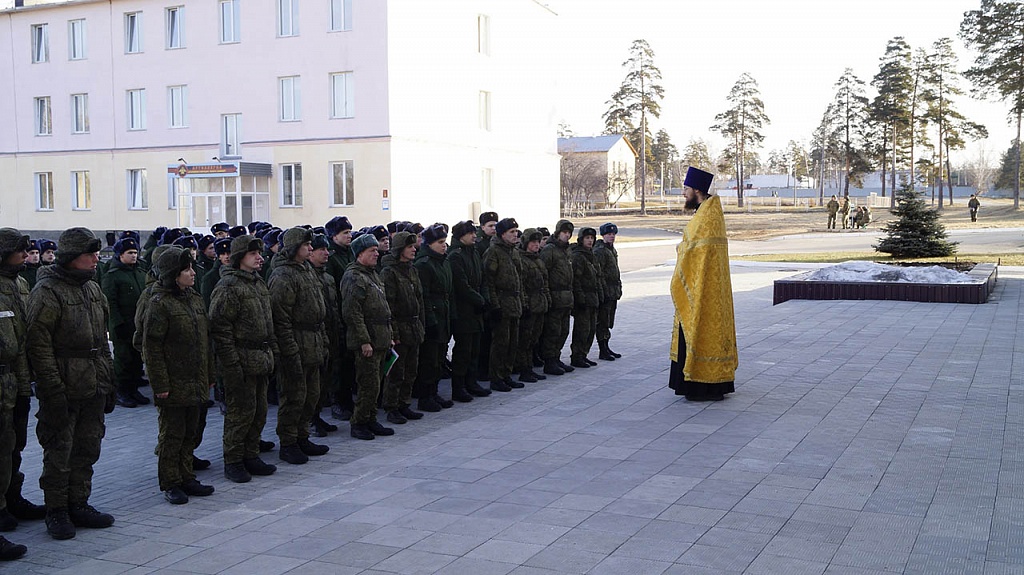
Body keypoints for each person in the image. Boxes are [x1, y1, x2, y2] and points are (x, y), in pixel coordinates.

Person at [26, 227, 116, 540]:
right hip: (64, 383)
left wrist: (108, 380)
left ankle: (79, 502)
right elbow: (38, 345)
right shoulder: (48, 291)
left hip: (92, 382)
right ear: (71, 257)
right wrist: (52, 391)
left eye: (96, 253)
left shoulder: (92, 289)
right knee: (59, 452)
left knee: (88, 447)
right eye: (89, 254)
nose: (95, 259)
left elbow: (102, 341)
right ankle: (57, 510)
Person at [143, 247, 216, 505]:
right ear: (173, 275)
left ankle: (187, 476)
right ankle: (170, 482)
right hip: (174, 381)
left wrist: (209, 373)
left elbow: (204, 340)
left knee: (190, 432)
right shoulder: (159, 303)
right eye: (186, 269)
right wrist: (160, 384)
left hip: (195, 378)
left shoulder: (194, 298)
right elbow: (152, 347)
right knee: (172, 435)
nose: (192, 273)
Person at [209, 235, 279, 483]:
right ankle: (234, 460)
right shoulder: (228, 287)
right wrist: (231, 365)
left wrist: (273, 352)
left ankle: (251, 454)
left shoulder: (257, 283)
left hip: (260, 357)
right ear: (240, 258)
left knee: (259, 411)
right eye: (253, 254)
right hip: (241, 358)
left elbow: (268, 322)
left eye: (260, 253)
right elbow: (220, 331)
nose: (260, 258)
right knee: (240, 413)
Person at [669, 168, 738, 402]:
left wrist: (681, 250)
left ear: (697, 190)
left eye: (686, 189)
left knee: (699, 330)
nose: (683, 193)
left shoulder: (707, 216)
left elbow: (695, 250)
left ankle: (702, 386)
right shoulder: (706, 212)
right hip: (703, 285)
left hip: (704, 289)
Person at [268, 228, 329, 465]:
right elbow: (281, 320)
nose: (311, 249)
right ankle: (288, 442)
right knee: (294, 396)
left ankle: (302, 435)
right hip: (296, 342)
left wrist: (322, 341)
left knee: (311, 395)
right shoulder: (283, 276)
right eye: (306, 246)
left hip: (312, 342)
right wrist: (290, 351)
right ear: (294, 248)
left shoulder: (306, 271)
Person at [340, 233, 395, 440]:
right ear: (360, 253)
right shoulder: (354, 276)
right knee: (367, 384)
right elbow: (352, 313)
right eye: (371, 251)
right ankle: (359, 422)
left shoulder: (372, 274)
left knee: (376, 384)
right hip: (367, 340)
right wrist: (364, 340)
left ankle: (371, 419)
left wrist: (389, 335)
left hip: (380, 337)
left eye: (376, 250)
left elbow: (383, 307)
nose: (376, 254)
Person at [0, 230, 34, 560]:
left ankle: (12, 499)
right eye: (19, 250)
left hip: (16, 383)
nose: (26, 254)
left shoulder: (19, 285)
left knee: (13, 445)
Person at [380, 231, 427, 422]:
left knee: (411, 370)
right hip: (400, 328)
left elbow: (419, 300)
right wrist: (394, 332)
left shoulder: (412, 270)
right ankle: (392, 406)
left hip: (413, 327)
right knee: (396, 372)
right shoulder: (389, 273)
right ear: (400, 249)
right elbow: (388, 306)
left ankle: (404, 403)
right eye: (409, 247)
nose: (414, 250)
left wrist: (421, 325)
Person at [102, 237, 149, 408]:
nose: (134, 256)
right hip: (123, 325)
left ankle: (133, 389)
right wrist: (117, 324)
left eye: (136, 252)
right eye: (130, 253)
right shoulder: (113, 276)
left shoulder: (140, 273)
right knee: (123, 360)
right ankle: (121, 391)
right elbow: (110, 303)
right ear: (120, 255)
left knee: (136, 359)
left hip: (138, 324)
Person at [447, 221, 491, 398]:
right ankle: (459, 387)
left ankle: (471, 382)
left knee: (474, 349)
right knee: (463, 350)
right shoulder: (455, 256)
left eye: (474, 232)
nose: (474, 236)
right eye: (470, 233)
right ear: (460, 236)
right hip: (464, 310)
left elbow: (483, 279)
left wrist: (485, 299)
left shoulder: (473, 252)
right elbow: (462, 286)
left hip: (476, 310)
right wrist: (480, 300)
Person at [414, 224, 455, 410]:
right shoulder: (424, 264)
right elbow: (424, 295)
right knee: (429, 359)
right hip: (433, 315)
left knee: (439, 357)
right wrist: (430, 320)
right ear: (429, 244)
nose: (444, 246)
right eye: (440, 242)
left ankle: (434, 392)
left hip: (443, 314)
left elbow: (449, 292)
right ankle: (425, 396)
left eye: (444, 242)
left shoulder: (443, 262)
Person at [483, 218, 523, 392]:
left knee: (512, 342)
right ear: (501, 234)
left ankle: (506, 374)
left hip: (514, 302)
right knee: (501, 343)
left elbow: (519, 279)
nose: (515, 235)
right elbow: (488, 282)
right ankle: (496, 377)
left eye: (516, 231)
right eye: (511, 232)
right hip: (502, 302)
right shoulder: (494, 252)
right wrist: (494, 306)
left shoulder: (513, 251)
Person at [308, 235, 340, 438]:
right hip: (313, 337)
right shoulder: (307, 277)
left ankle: (317, 416)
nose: (326, 253)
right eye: (322, 250)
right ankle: (310, 421)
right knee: (312, 384)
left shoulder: (327, 277)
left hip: (330, 334)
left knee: (324, 381)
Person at [325, 216, 356, 421]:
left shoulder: (350, 253)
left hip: (350, 312)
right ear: (334, 236)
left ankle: (347, 398)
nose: (349, 236)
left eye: (349, 232)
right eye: (345, 233)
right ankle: (337, 400)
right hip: (338, 313)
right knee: (338, 362)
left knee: (349, 361)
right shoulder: (332, 256)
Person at [539, 219, 576, 376]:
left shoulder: (566, 250)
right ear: (558, 232)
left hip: (566, 297)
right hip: (555, 296)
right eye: (564, 233)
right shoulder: (550, 250)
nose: (566, 236)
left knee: (563, 331)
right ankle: (549, 361)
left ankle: (556, 357)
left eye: (569, 233)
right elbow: (543, 273)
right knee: (552, 331)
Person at [514, 228, 549, 384]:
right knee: (525, 340)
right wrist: (525, 304)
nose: (536, 245)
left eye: (537, 241)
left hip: (540, 303)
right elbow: (521, 284)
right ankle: (524, 369)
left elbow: (545, 281)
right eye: (533, 242)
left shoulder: (538, 259)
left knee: (534, 339)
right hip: (530, 304)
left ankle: (529, 368)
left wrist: (547, 299)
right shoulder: (521, 260)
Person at [569, 227, 602, 368]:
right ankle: (576, 355)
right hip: (583, 298)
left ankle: (583, 354)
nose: (590, 241)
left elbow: (598, 277)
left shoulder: (591, 255)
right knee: (582, 329)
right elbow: (576, 279)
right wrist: (580, 298)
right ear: (581, 239)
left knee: (590, 329)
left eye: (592, 238)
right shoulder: (578, 256)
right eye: (587, 238)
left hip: (593, 297)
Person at [593, 223, 622, 361]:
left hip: (612, 291)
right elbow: (599, 273)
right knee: (603, 321)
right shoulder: (600, 251)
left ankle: (606, 347)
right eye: (609, 234)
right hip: (605, 291)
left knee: (609, 320)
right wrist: (602, 291)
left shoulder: (611, 250)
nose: (612, 236)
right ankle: (602, 349)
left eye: (613, 234)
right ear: (603, 235)